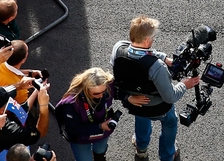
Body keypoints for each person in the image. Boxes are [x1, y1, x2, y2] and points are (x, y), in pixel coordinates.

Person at [110, 16, 199, 161]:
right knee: (170, 122)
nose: (153, 41)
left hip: (135, 102)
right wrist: (185, 84)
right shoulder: (156, 67)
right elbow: (170, 96)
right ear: (146, 41)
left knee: (141, 117)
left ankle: (141, 149)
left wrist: (164, 57)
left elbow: (138, 51)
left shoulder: (118, 48)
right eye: (152, 39)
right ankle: (168, 154)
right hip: (158, 107)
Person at [55, 68, 139, 161]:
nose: (101, 96)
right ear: (85, 89)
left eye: (104, 91)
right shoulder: (71, 104)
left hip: (103, 132)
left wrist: (128, 97)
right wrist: (99, 126)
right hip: (81, 139)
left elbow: (117, 90)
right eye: (96, 93)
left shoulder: (108, 84)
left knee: (100, 152)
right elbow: (74, 130)